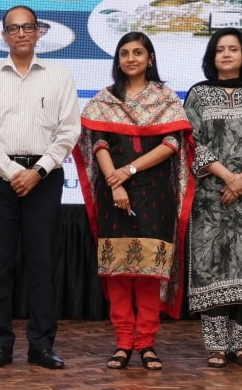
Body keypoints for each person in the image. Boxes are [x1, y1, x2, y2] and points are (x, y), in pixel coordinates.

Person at [72, 31, 193, 371]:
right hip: (114, 193)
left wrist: (129, 170)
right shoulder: (105, 99)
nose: (131, 59)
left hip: (155, 192)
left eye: (138, 52)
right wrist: (115, 182)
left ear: (150, 58)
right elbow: (98, 143)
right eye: (124, 53)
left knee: (150, 272)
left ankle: (147, 344)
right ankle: (124, 343)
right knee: (119, 272)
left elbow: (171, 145)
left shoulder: (165, 98)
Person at [0, 5, 80, 370]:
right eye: (13, 28)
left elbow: (69, 131)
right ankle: (1, 344)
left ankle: (42, 344)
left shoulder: (59, 77)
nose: (20, 33)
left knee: (42, 263)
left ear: (38, 32)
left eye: (27, 27)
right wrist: (14, 171)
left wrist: (38, 171)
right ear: (3, 35)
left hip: (44, 178)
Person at [184, 27, 242, 368]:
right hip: (208, 197)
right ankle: (216, 346)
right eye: (220, 49)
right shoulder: (198, 95)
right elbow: (191, 142)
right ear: (212, 57)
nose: (226, 54)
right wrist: (227, 177)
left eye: (233, 49)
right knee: (210, 265)